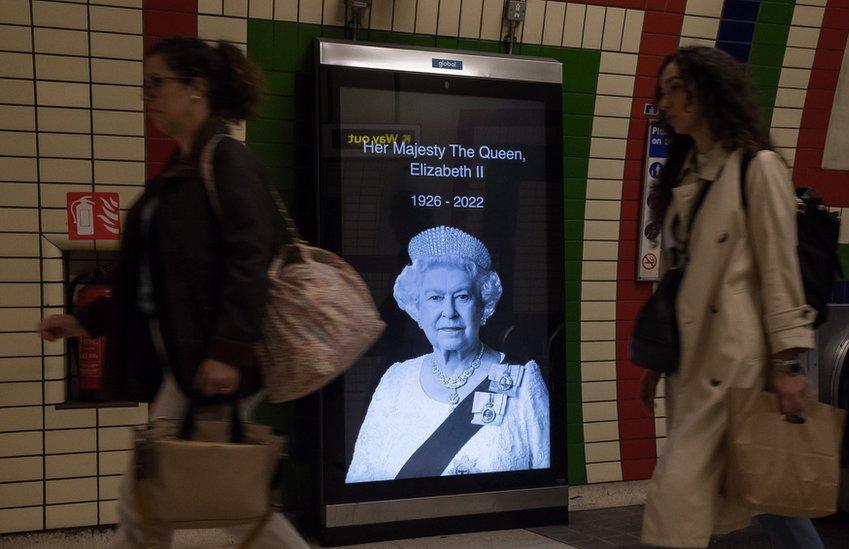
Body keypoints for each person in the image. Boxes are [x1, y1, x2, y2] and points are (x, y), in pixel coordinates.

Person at [36, 37, 308, 548]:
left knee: (160, 492)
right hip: (190, 358)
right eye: (145, 86)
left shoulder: (225, 160)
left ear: (196, 89)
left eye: (156, 83)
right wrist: (86, 321)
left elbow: (250, 258)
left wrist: (228, 352)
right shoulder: (182, 171)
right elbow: (160, 285)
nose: (148, 96)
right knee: (208, 495)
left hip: (211, 361)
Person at [636, 46, 823, 548]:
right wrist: (660, 358)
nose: (665, 101)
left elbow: (780, 270)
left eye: (676, 88)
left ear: (709, 91)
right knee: (765, 490)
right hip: (692, 361)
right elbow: (678, 282)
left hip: (732, 361)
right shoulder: (688, 173)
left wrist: (788, 365)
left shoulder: (756, 168)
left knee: (678, 495)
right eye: (663, 90)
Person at [345, 225, 550, 482]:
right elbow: (361, 481)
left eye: (462, 296)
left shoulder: (523, 382)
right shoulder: (394, 382)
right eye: (435, 298)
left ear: (483, 306)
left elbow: (544, 482)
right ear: (417, 309)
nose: (449, 312)